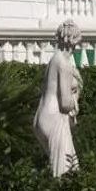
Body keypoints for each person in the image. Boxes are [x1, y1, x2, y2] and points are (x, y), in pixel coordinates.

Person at [33, 20, 82, 177]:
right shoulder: (64, 64)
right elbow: (66, 104)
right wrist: (77, 93)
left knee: (57, 165)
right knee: (64, 171)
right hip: (55, 118)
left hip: (41, 118)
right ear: (73, 41)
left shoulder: (54, 59)